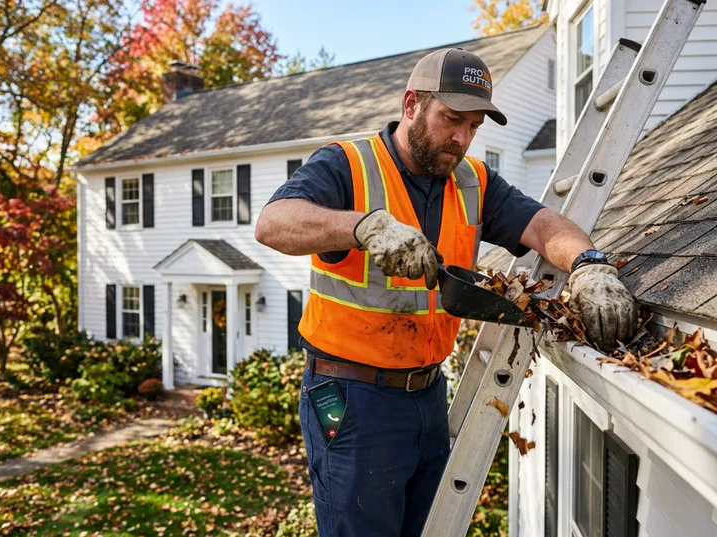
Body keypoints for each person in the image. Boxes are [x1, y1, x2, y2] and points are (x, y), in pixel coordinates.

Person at [254, 47, 637, 537]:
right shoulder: (347, 166)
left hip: (428, 394)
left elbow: (542, 225)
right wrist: (365, 227)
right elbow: (273, 224)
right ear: (412, 104)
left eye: (474, 125)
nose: (462, 137)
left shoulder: (473, 181)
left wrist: (590, 266)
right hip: (353, 400)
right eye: (451, 118)